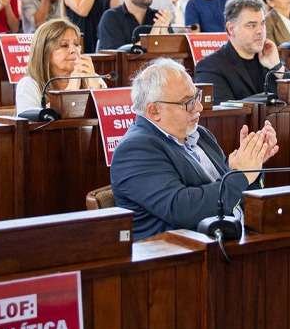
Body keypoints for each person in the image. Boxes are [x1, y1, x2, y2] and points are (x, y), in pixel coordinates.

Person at [110, 58, 278, 238]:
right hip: (180, 250)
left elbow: (231, 193)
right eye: (188, 102)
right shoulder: (136, 150)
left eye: (197, 96)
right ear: (154, 111)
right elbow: (183, 209)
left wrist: (253, 159)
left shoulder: (200, 135)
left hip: (232, 237)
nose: (199, 107)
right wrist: (241, 175)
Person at [194, 0, 284, 104]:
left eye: (262, 24)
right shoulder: (210, 67)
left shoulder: (269, 58)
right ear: (231, 29)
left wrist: (277, 67)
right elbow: (222, 111)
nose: (260, 31)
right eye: (251, 25)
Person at [15, 18, 106, 115]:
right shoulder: (28, 85)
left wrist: (96, 88)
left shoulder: (94, 78)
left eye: (76, 44)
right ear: (45, 52)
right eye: (64, 45)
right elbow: (35, 123)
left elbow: (108, 118)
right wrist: (71, 91)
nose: (73, 50)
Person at [96, 0, 172, 50]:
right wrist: (152, 37)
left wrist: (165, 33)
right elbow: (116, 54)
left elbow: (173, 52)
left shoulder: (159, 17)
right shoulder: (111, 17)